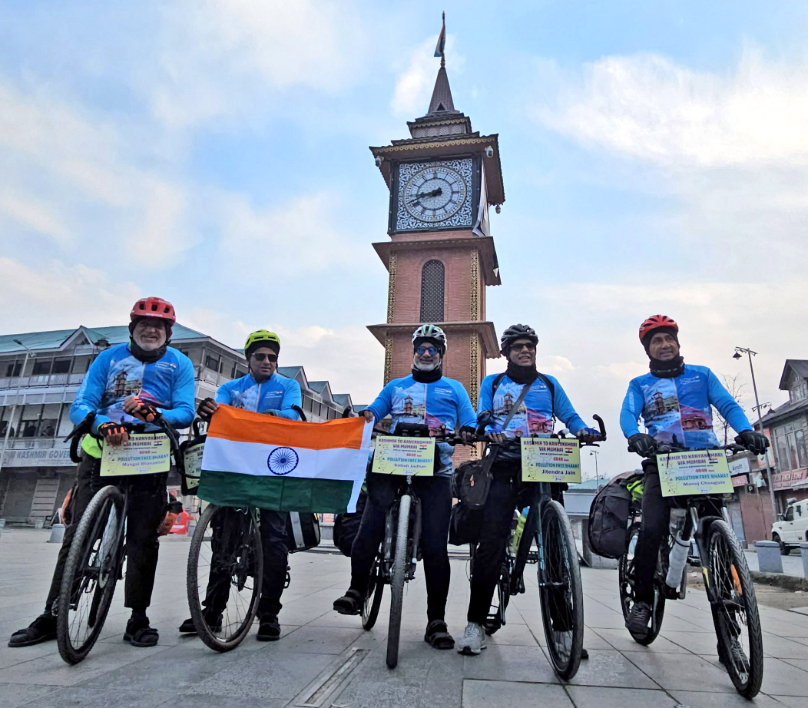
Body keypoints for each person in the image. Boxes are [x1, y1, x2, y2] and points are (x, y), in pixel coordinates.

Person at [8, 297, 195, 648]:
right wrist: (101, 423)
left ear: (168, 333)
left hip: (148, 458)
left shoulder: (179, 365)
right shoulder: (107, 359)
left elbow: (185, 411)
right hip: (102, 453)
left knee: (143, 539)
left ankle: (138, 618)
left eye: (158, 326)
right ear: (132, 329)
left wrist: (154, 415)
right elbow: (81, 405)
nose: (151, 330)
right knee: (77, 535)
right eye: (144, 325)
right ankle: (52, 614)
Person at [620, 315, 769, 638]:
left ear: (678, 342)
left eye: (668, 338)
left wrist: (746, 430)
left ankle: (727, 622)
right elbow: (628, 414)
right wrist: (635, 436)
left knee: (718, 538)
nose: (664, 345)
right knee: (652, 529)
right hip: (663, 463)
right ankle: (643, 601)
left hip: (705, 462)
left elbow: (727, 405)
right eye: (656, 341)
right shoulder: (640, 385)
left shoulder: (702, 376)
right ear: (648, 349)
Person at [458, 324, 601, 656]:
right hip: (505, 466)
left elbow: (570, 417)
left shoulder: (549, 384)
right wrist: (488, 431)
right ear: (507, 352)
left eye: (530, 347)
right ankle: (475, 623)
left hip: (547, 467)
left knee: (556, 551)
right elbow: (484, 416)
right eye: (518, 347)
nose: (525, 351)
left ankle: (564, 627)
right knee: (492, 543)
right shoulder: (493, 383)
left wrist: (585, 431)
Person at [333, 324, 476, 650]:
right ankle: (357, 589)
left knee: (437, 546)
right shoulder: (396, 387)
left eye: (432, 349)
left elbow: (468, 420)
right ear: (413, 353)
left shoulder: (454, 389)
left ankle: (436, 621)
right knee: (369, 524)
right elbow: (374, 412)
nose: (426, 353)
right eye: (421, 348)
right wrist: (364, 416)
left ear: (441, 355)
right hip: (392, 464)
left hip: (435, 471)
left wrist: (468, 431)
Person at [178, 329, 301, 641]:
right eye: (260, 356)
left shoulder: (288, 386)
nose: (267, 362)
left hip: (273, 468)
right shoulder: (231, 388)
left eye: (272, 357)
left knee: (274, 541)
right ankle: (213, 611)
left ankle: (269, 613)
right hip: (234, 468)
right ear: (249, 359)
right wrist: (208, 409)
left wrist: (274, 415)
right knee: (223, 539)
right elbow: (217, 408)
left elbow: (295, 416)